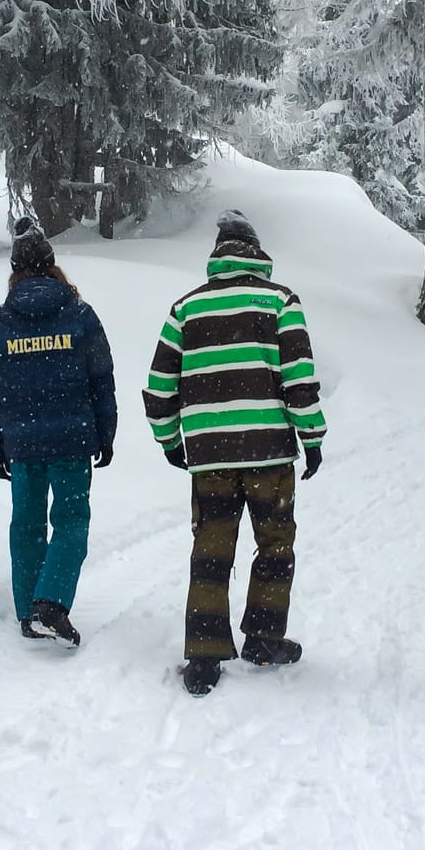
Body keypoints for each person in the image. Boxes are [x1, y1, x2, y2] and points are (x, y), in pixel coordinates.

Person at [144, 210, 327, 696]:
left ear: (218, 255)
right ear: (256, 252)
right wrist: (312, 439)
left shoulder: (185, 310)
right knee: (274, 545)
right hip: (269, 454)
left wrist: (170, 441)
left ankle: (203, 657)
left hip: (211, 458)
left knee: (211, 551)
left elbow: (158, 388)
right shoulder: (281, 302)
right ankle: (264, 641)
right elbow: (300, 381)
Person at [0, 218, 116, 645]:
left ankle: (28, 609)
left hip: (22, 444)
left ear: (14, 271)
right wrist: (105, 434)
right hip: (72, 442)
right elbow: (101, 380)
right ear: (53, 266)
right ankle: (51, 603)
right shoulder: (80, 315)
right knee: (71, 521)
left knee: (27, 525)